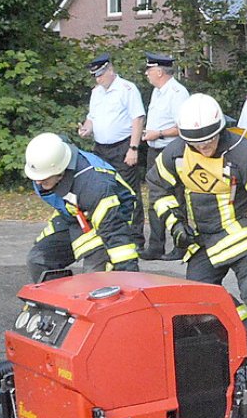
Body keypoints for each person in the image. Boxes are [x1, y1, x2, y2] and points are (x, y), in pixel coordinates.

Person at [145, 94, 247, 376]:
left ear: (220, 130)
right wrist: (175, 224)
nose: (203, 147)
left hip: (244, 236)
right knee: (198, 297)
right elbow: (158, 187)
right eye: (196, 143)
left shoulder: (244, 152)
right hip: (204, 241)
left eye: (209, 140)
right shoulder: (177, 152)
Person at [23, 132, 141, 281]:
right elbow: (65, 205)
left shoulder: (94, 185)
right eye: (35, 178)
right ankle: (57, 302)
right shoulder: (46, 168)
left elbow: (114, 231)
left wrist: (130, 279)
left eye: (43, 179)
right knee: (37, 260)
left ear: (61, 170)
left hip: (112, 217)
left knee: (94, 278)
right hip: (75, 216)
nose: (38, 183)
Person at [79, 54, 146, 249]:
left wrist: (133, 148)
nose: (98, 79)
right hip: (101, 149)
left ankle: (135, 238)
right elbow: (92, 117)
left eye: (100, 75)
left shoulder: (127, 89)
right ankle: (108, 233)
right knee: (103, 191)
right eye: (95, 76)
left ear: (110, 70)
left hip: (122, 147)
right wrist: (86, 128)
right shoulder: (96, 92)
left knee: (129, 192)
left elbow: (138, 119)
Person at [139, 53, 189, 260]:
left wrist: (158, 133)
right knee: (155, 198)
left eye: (149, 70)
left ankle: (181, 244)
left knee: (175, 198)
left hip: (172, 150)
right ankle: (155, 246)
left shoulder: (178, 93)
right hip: (154, 150)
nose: (146, 74)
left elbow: (183, 127)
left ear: (159, 71)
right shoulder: (157, 92)